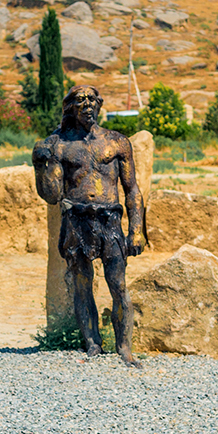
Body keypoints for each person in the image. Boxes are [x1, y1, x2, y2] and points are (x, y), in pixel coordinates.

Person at [32, 85, 145, 366]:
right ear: (70, 107)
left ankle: (124, 347)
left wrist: (137, 230)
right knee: (82, 284)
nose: (87, 105)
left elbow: (132, 190)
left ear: (99, 104)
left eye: (91, 100)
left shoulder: (117, 142)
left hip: (109, 220)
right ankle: (92, 343)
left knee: (118, 284)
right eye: (80, 100)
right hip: (77, 219)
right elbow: (52, 195)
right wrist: (41, 166)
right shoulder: (59, 145)